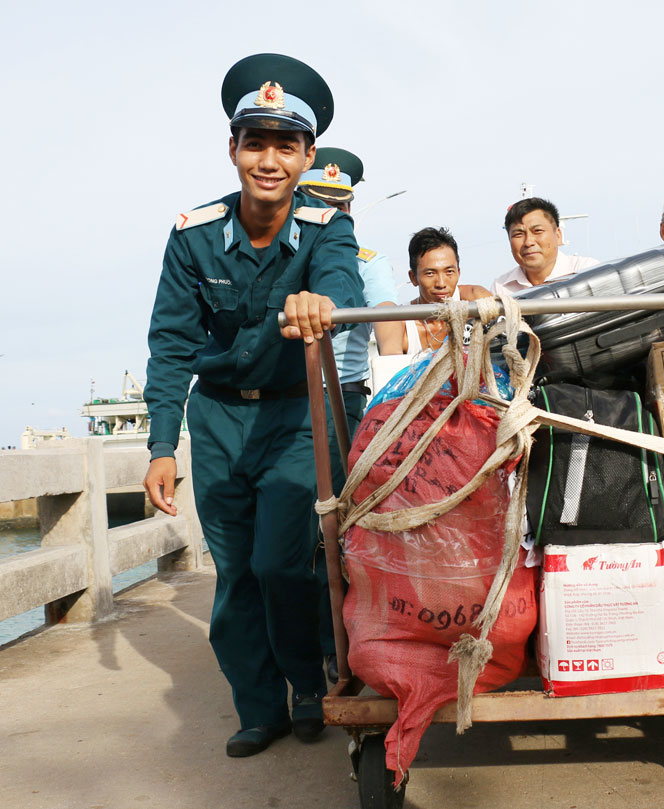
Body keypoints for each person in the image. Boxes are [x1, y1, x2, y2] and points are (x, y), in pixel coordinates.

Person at [141, 53, 363, 758]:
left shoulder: (327, 227)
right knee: (234, 573)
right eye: (255, 143)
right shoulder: (193, 234)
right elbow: (172, 344)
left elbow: (341, 285)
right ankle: (259, 706)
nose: (269, 160)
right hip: (218, 421)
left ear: (307, 157)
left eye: (285, 146)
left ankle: (306, 683)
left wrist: (320, 300)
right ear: (233, 149)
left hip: (296, 418)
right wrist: (159, 446)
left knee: (282, 562)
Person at [298, 146, 403, 684]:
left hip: (343, 401)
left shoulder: (365, 263)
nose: (328, 212)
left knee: (332, 533)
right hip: (281, 398)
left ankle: (334, 656)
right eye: (316, 199)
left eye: (339, 204)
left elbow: (389, 325)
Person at [402, 227, 490, 354]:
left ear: (458, 273)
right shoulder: (402, 324)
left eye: (449, 272)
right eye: (430, 273)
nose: (441, 283)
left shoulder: (475, 299)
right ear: (413, 278)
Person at [493, 197, 598, 293]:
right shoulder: (501, 288)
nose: (528, 242)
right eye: (518, 234)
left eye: (537, 231)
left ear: (558, 235)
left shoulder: (587, 271)